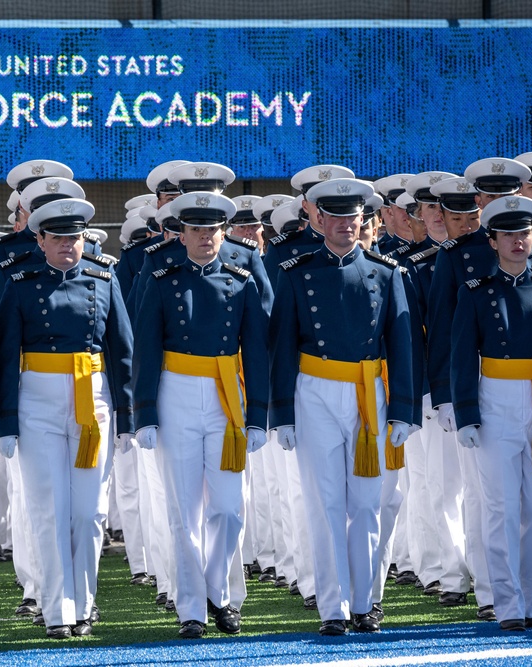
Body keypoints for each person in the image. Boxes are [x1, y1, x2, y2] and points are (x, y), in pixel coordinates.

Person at [270, 178, 413, 636]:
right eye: (335, 215)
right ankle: (333, 605)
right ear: (317, 218)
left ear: (363, 220)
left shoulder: (385, 271)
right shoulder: (296, 271)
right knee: (325, 502)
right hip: (314, 390)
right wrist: (283, 414)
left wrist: (403, 409)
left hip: (368, 393)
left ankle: (366, 600)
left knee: (368, 504)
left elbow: (402, 344)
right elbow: (282, 346)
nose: (346, 224)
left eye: (354, 216)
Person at [0, 197, 134, 639]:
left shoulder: (101, 277)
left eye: (74, 237)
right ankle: (57, 608)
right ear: (39, 240)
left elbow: (122, 351)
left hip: (91, 399)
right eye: (58, 238)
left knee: (89, 511)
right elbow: (4, 354)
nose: (68, 246)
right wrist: (7, 421)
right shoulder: (19, 281)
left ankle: (85, 603)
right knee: (47, 508)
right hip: (37, 399)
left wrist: (128, 415)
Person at [132, 192, 269, 638]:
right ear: (181, 234)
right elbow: (147, 349)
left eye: (212, 230)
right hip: (177, 391)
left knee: (229, 508)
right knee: (183, 509)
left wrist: (258, 413)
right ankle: (191, 606)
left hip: (227, 395)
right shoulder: (162, 277)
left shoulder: (240, 278)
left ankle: (219, 591)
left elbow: (257, 351)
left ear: (223, 232)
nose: (205, 238)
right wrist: (145, 413)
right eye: (196, 230)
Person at [451, 195, 532, 631]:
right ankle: (507, 603)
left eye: (524, 233)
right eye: (509, 235)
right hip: (497, 398)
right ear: (493, 241)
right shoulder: (478, 293)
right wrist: (466, 413)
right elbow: (462, 355)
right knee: (501, 506)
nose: (519, 241)